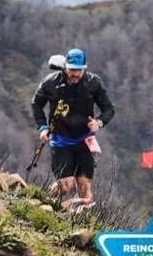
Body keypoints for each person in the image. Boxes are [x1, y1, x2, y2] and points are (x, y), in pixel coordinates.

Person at [31, 48, 115, 211]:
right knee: (65, 185)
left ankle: (79, 226)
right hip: (60, 139)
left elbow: (109, 109)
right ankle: (43, 203)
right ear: (65, 67)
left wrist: (99, 122)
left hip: (84, 139)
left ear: (84, 68)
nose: (75, 74)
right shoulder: (51, 83)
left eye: (79, 70)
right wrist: (42, 127)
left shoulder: (93, 83)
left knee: (85, 194)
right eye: (72, 70)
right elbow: (36, 103)